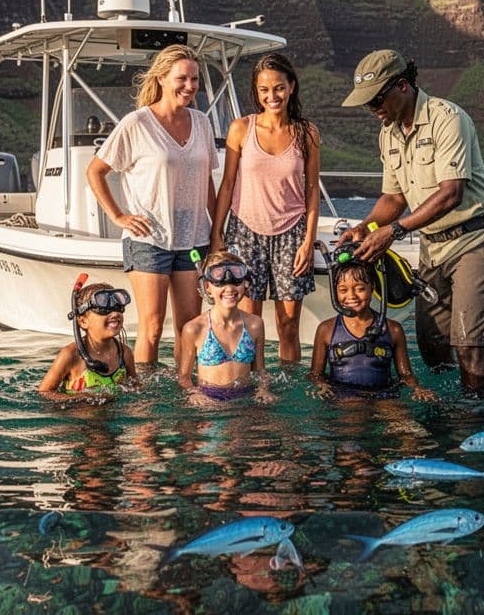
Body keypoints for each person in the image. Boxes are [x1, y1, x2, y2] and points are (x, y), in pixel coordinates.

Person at [336, 49, 484, 398]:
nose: (372, 109)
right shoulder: (388, 134)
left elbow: (451, 193)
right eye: (367, 103)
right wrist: (365, 226)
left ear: (403, 85)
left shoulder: (447, 118)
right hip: (432, 246)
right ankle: (444, 415)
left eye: (376, 99)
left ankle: (476, 427)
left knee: (468, 345)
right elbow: (394, 199)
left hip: (473, 239)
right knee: (432, 347)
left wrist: (394, 232)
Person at [86, 45, 217, 369]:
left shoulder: (202, 123)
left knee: (190, 327)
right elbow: (95, 171)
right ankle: (145, 399)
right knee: (153, 327)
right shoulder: (137, 123)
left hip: (194, 237)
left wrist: (217, 232)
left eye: (195, 79)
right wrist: (118, 215)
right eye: (181, 78)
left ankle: (184, 390)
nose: (189, 86)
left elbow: (208, 182)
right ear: (161, 78)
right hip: (149, 239)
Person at [211, 52, 320, 364]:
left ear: (292, 87)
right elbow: (228, 184)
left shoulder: (307, 132)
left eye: (279, 88)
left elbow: (312, 189)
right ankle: (252, 385)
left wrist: (308, 241)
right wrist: (217, 235)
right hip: (246, 232)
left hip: (292, 233)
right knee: (248, 323)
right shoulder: (240, 129)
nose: (272, 96)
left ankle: (288, 392)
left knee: (288, 325)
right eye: (264, 90)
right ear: (256, 92)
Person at [308, 258, 436, 401]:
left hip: (384, 395)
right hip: (344, 397)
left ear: (373, 288)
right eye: (343, 290)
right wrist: (321, 385)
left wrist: (417, 388)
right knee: (354, 414)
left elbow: (405, 375)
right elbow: (315, 374)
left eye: (360, 289)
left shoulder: (393, 330)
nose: (351, 296)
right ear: (335, 292)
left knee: (406, 423)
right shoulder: (326, 329)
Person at [176, 251, 276, 403]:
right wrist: (194, 394)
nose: (229, 289)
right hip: (209, 401)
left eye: (236, 282)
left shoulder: (255, 325)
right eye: (221, 283)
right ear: (207, 287)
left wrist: (263, 389)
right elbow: (184, 377)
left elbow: (260, 370)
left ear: (245, 283)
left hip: (245, 399)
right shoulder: (194, 329)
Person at [38, 282, 137, 400]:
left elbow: (135, 386)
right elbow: (44, 392)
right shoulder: (70, 355)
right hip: (79, 416)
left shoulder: (124, 353)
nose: (115, 313)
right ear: (83, 321)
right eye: (104, 310)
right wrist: (79, 399)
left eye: (117, 308)